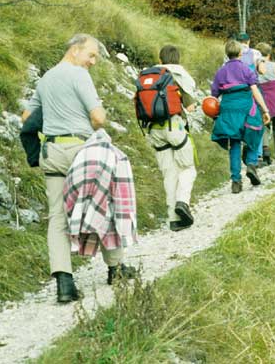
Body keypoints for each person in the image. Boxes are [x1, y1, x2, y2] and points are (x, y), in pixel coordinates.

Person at [22, 33, 136, 303]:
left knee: (57, 217)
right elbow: (98, 117)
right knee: (105, 203)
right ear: (75, 50)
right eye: (91, 55)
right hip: (81, 151)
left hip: (52, 152)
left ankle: (64, 284)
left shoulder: (46, 78)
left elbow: (27, 118)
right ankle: (115, 268)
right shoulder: (79, 75)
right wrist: (91, 120)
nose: (93, 61)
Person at [146, 45, 198, 232]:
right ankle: (182, 202)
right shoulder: (178, 74)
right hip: (174, 127)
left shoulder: (149, 75)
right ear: (177, 59)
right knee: (188, 168)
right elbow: (190, 107)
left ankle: (173, 219)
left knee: (169, 173)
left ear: (160, 60)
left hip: (154, 130)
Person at [211, 39, 271, 193]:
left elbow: (214, 96)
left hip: (228, 110)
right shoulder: (246, 69)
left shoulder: (220, 72)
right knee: (254, 134)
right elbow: (255, 91)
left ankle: (236, 181)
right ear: (240, 53)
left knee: (235, 143)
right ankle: (251, 164)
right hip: (247, 108)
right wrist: (265, 110)